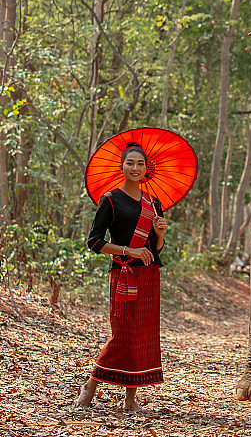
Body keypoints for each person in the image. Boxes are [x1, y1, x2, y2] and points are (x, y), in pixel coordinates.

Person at [76, 141, 168, 412]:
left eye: (140, 163)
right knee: (121, 334)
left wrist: (160, 235)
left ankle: (130, 399)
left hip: (149, 276)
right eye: (130, 163)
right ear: (122, 167)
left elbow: (155, 249)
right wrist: (130, 250)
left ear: (146, 168)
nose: (135, 167)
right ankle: (90, 385)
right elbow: (94, 242)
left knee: (140, 335)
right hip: (123, 275)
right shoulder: (110, 200)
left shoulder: (154, 203)